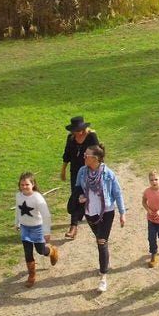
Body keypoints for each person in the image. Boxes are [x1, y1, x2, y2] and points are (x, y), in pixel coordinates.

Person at [76, 145, 125, 292]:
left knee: (101, 241)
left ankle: (103, 276)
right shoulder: (82, 172)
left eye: (87, 155)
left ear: (95, 159)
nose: (84, 157)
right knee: (100, 240)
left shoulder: (108, 174)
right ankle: (105, 258)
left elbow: (117, 193)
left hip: (107, 212)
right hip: (90, 213)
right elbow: (77, 188)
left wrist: (122, 213)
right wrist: (79, 197)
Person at [15, 172, 59, 288]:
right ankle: (32, 275)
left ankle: (52, 251)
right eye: (22, 184)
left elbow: (46, 216)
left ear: (33, 184)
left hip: (37, 228)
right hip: (25, 228)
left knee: (41, 251)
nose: (24, 187)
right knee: (27, 252)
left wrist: (47, 232)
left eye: (27, 184)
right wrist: (17, 222)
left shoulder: (37, 198)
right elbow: (18, 210)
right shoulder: (19, 196)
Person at [60, 116, 100, 239]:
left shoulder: (91, 137)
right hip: (75, 172)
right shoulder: (71, 138)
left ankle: (92, 214)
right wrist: (63, 169)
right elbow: (67, 154)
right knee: (76, 195)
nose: (78, 132)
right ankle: (73, 226)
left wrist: (98, 170)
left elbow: (97, 154)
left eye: (80, 129)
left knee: (89, 195)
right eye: (76, 130)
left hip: (89, 170)